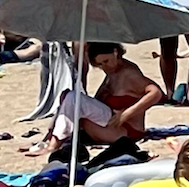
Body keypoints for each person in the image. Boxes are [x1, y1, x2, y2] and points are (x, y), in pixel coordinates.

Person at [27, 42, 162, 164]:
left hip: (127, 129)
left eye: (106, 61)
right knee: (67, 96)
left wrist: (126, 114)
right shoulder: (112, 71)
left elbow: (156, 93)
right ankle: (50, 138)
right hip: (110, 122)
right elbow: (99, 99)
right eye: (100, 64)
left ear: (116, 52)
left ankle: (52, 146)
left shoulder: (128, 73)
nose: (105, 67)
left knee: (73, 98)